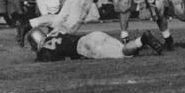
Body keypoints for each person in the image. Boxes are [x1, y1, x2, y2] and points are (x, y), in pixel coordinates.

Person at [17, 0, 119, 45]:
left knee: (60, 18)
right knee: (72, 25)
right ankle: (46, 44)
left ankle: (28, 24)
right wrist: (117, 3)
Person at [25, 27, 164, 62]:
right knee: (124, 50)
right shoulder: (55, 33)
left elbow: (45, 59)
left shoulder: (44, 50)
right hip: (93, 35)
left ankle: (144, 39)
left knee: (124, 53)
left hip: (86, 47)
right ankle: (141, 42)